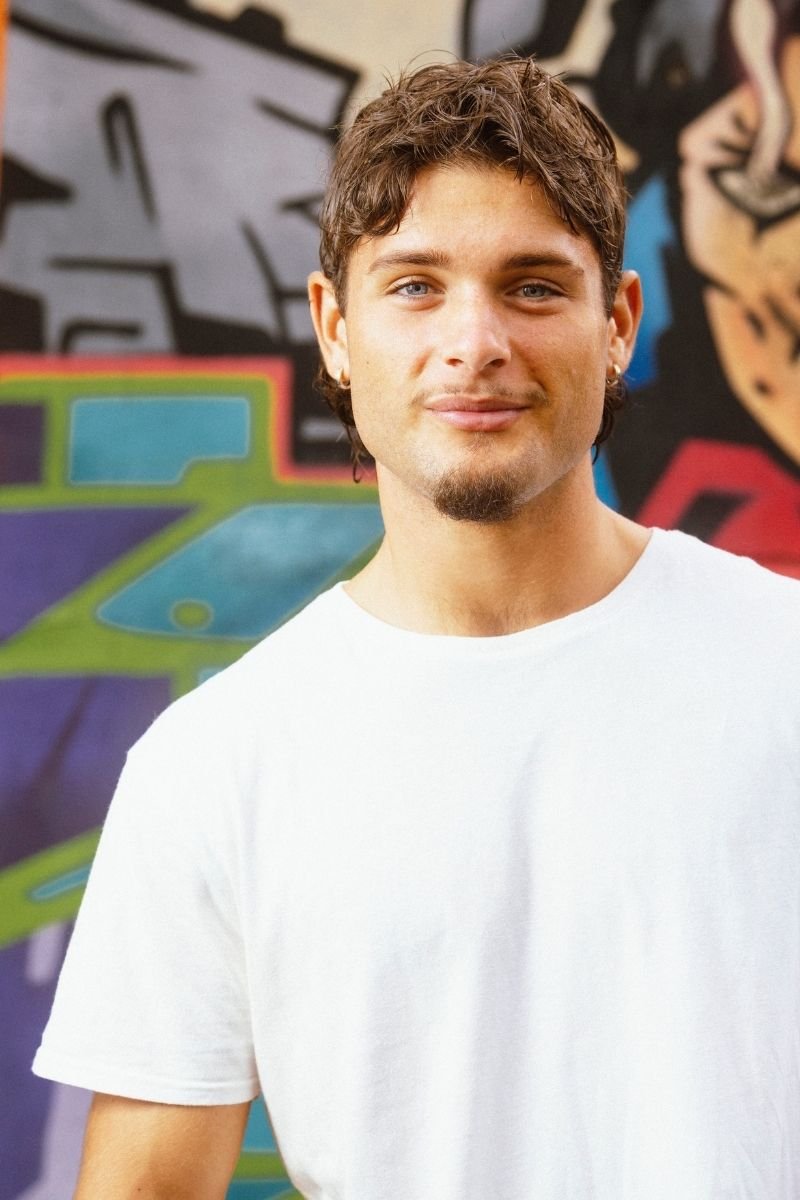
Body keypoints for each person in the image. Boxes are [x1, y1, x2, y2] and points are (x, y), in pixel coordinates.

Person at [33, 57, 800, 1199]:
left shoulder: (779, 672)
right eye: (414, 287)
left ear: (616, 322)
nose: (474, 340)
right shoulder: (216, 768)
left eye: (533, 286)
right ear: (335, 329)